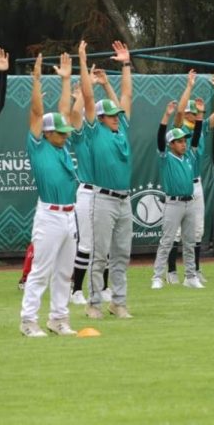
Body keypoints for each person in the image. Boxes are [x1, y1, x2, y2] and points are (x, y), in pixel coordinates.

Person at [20, 53, 78, 337]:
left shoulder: (62, 146)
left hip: (70, 215)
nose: (66, 135)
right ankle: (28, 321)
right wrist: (37, 80)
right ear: (47, 133)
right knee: (40, 272)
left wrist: (66, 80)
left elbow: (64, 111)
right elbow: (35, 113)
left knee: (64, 273)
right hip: (49, 216)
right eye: (60, 133)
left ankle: (58, 319)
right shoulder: (38, 146)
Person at [83, 40, 134, 319]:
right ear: (100, 118)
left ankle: (118, 301)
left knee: (122, 255)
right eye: (111, 116)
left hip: (125, 200)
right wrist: (92, 81)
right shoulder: (94, 130)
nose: (116, 117)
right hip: (102, 199)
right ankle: (93, 303)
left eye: (116, 115)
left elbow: (126, 95)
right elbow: (89, 102)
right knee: (99, 254)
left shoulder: (121, 128)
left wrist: (126, 64)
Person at [165, 70, 214, 284]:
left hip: (196, 184)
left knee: (197, 230)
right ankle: (171, 271)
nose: (197, 114)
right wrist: (189, 86)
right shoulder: (180, 129)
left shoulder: (203, 126)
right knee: (175, 234)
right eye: (195, 112)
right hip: (178, 185)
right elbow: (179, 112)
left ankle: (195, 270)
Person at [68, 41, 112, 305]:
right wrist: (85, 89)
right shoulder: (81, 134)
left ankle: (104, 288)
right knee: (86, 243)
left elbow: (119, 107)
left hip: (105, 193)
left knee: (104, 245)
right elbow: (76, 114)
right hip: (86, 192)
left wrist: (101, 86)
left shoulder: (107, 135)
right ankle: (76, 291)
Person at [151, 101, 204, 289]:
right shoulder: (165, 158)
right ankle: (157, 277)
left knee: (189, 242)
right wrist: (166, 116)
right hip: (173, 204)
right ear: (171, 144)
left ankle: (190, 277)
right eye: (180, 141)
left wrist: (200, 116)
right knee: (167, 241)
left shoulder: (189, 156)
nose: (184, 144)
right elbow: (159, 138)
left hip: (190, 203)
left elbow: (196, 138)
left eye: (184, 141)